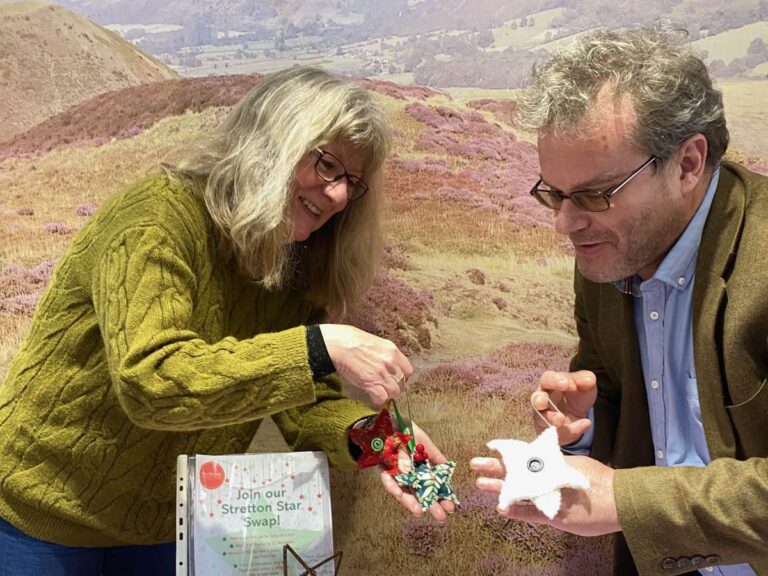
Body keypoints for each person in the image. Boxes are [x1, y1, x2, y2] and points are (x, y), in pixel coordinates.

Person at [0, 66, 453, 575]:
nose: (340, 196)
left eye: (352, 182)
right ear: (271, 142)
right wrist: (317, 346)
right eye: (327, 164)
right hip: (38, 515)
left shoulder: (293, 264)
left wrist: (376, 437)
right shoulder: (158, 217)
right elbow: (152, 379)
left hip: (160, 525)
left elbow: (304, 405)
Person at [471, 25, 767, 576]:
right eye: (554, 194)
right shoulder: (607, 256)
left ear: (687, 163)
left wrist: (624, 500)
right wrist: (581, 433)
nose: (565, 223)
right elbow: (612, 393)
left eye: (594, 195)